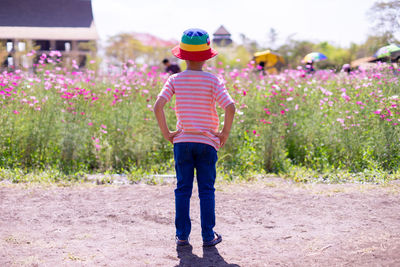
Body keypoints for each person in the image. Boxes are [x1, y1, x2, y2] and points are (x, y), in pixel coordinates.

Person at [154, 28, 236, 247]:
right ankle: (208, 236)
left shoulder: (175, 80)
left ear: (182, 55)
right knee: (206, 190)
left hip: (182, 142)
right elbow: (230, 106)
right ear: (207, 56)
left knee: (183, 189)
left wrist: (167, 133)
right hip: (207, 143)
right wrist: (224, 133)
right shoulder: (212, 80)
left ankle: (182, 236)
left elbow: (158, 106)